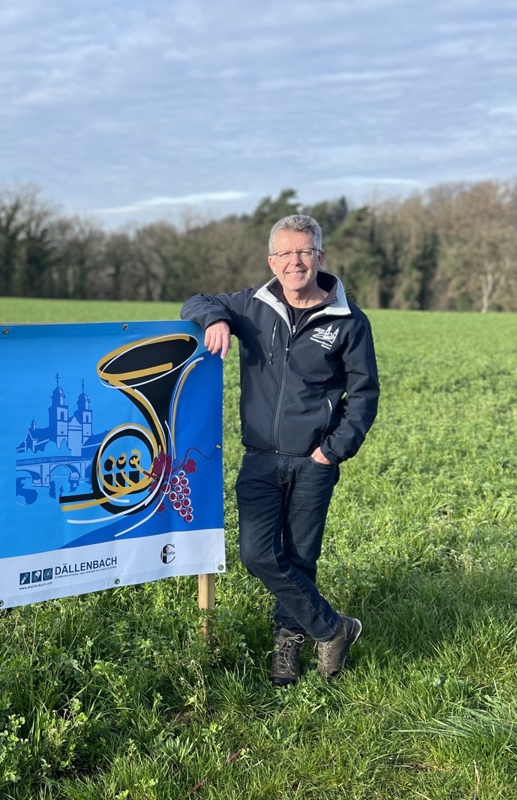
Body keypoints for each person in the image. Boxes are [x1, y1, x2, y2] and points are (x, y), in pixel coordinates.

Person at [180, 214, 378, 686]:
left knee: (301, 558)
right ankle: (334, 628)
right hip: (261, 459)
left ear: (320, 258)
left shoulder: (349, 320)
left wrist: (332, 451)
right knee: (257, 555)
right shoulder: (253, 305)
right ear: (273, 260)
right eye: (286, 253)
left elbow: (364, 394)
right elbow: (196, 301)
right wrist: (216, 320)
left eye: (305, 252)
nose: (296, 262)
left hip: (314, 461)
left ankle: (287, 648)